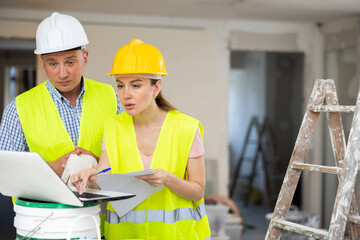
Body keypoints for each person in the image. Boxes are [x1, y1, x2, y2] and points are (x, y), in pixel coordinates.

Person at [72, 39, 211, 239]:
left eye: (135, 85)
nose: (125, 94)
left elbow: (198, 191)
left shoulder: (186, 128)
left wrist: (168, 179)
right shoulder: (113, 127)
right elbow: (104, 179)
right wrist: (88, 177)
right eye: (120, 85)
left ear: (156, 88)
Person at [0, 12, 122, 175]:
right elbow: (5, 171)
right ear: (43, 63)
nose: (62, 73)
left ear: (85, 58)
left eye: (70, 62)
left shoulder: (111, 97)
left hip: (98, 201)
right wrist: (48, 169)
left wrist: (101, 165)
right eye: (53, 64)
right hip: (41, 201)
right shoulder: (18, 109)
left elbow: (131, 158)